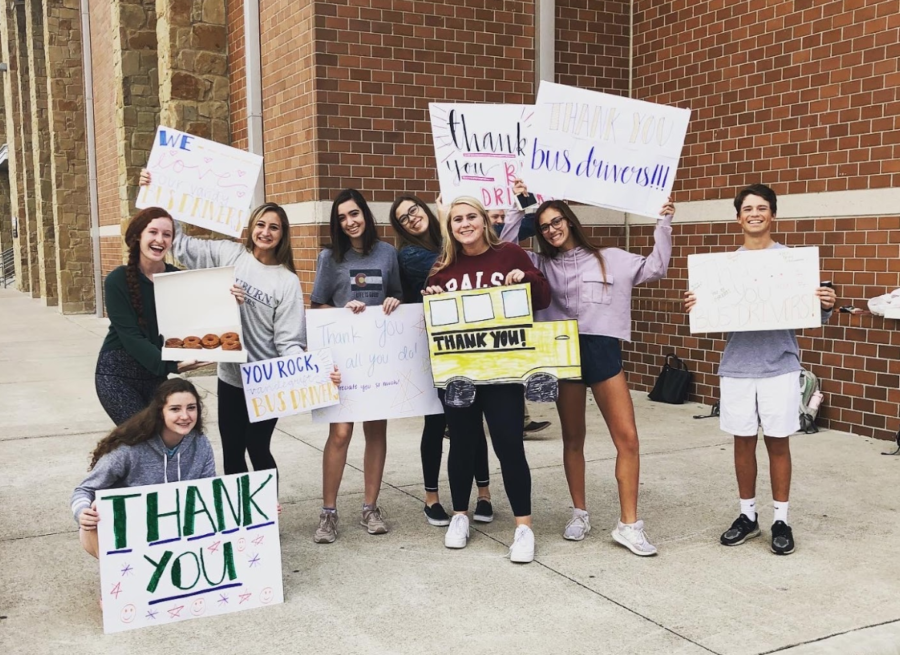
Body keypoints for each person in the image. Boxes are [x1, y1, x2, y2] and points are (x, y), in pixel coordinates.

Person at [140, 167, 333, 481]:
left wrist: (311, 373)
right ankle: (243, 518)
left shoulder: (286, 281)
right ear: (252, 227)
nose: (266, 232)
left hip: (266, 381)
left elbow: (288, 340)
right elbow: (183, 244)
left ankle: (267, 515)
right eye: (261, 224)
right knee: (231, 450)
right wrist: (157, 193)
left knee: (257, 447)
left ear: (283, 234)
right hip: (231, 378)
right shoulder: (229, 255)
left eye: (274, 227)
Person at [685, 183, 835, 555]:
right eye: (748, 208)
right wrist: (697, 305)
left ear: (773, 215)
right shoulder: (721, 269)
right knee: (742, 442)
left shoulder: (793, 263)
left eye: (762, 208)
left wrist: (827, 303)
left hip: (780, 364)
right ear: (738, 217)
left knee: (778, 442)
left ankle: (780, 519)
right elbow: (714, 313)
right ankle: (747, 516)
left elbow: (812, 311)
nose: (755, 213)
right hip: (737, 366)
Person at [529, 195, 675, 556]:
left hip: (602, 350)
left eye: (557, 221)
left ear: (570, 220)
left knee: (627, 437)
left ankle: (629, 524)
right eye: (544, 226)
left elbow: (656, 267)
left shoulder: (610, 257)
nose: (552, 229)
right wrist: (520, 205)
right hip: (563, 352)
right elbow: (503, 242)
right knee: (573, 437)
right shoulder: (538, 264)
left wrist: (663, 221)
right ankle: (579, 513)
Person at [424, 196, 551, 564]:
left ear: (484, 220)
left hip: (502, 371)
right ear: (449, 228)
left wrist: (524, 277)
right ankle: (460, 516)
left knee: (509, 444)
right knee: (462, 443)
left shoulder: (510, 253)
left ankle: (523, 527)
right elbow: (432, 329)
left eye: (471, 217)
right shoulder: (442, 270)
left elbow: (542, 298)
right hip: (461, 374)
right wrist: (431, 297)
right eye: (456, 219)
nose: (464, 224)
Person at [388, 194, 494, 527]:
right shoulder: (411, 254)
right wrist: (451, 221)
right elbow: (450, 263)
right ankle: (431, 498)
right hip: (436, 346)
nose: (411, 219)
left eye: (414, 210)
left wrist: (522, 203)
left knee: (473, 421)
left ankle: (485, 494)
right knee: (436, 422)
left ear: (425, 209)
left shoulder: (454, 236)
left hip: (474, 340)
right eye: (403, 219)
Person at [310, 188, 403, 542]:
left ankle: (369, 507)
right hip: (343, 360)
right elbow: (317, 306)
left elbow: (397, 297)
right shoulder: (329, 258)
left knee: (375, 432)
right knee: (341, 433)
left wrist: (394, 300)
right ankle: (328, 512)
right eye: (342, 217)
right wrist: (341, 311)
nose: (349, 222)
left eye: (354, 214)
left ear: (365, 214)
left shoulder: (387, 254)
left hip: (377, 359)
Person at [94, 207, 213, 425]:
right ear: (139, 235)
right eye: (153, 232)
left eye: (167, 234)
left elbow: (199, 316)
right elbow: (131, 338)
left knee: (167, 439)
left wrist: (230, 300)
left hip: (155, 377)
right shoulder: (116, 281)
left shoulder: (178, 279)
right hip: (117, 375)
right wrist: (170, 366)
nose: (160, 239)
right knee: (141, 440)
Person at [72, 378, 216, 558]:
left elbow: (209, 491)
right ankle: (120, 573)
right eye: (175, 409)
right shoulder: (129, 449)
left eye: (191, 407)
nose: (185, 416)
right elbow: (84, 490)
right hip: (128, 528)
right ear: (160, 412)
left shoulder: (200, 443)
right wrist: (82, 513)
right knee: (95, 507)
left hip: (175, 525)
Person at [485, 189, 551, 436]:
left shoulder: (505, 246)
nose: (500, 222)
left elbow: (530, 222)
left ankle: (519, 420)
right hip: (481, 319)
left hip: (504, 318)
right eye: (495, 217)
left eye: (503, 217)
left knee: (509, 370)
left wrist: (525, 196)